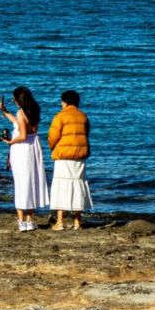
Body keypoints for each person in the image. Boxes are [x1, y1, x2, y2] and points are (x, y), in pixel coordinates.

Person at [0, 86, 49, 231]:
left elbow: (21, 135)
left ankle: (21, 221)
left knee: (21, 184)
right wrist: (5, 111)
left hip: (21, 150)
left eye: (13, 99)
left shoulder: (21, 112)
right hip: (33, 147)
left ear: (18, 99)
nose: (13, 101)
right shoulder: (34, 109)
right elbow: (19, 123)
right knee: (31, 182)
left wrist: (9, 142)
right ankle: (30, 220)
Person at [47, 89, 92, 230]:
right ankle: (77, 221)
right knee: (78, 185)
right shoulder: (83, 116)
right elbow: (86, 133)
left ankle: (60, 221)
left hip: (64, 155)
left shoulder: (59, 116)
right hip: (79, 155)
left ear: (65, 102)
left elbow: (52, 137)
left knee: (61, 186)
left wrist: (53, 147)